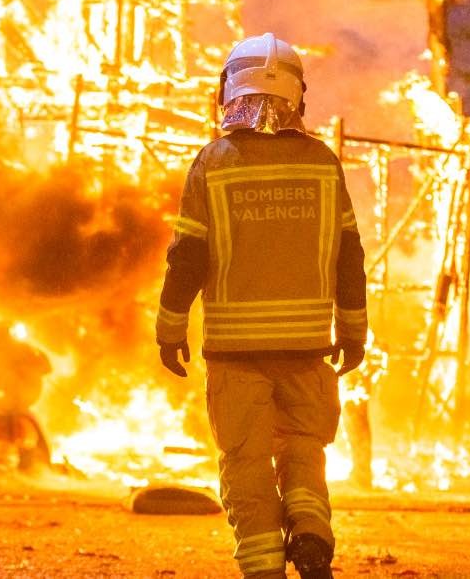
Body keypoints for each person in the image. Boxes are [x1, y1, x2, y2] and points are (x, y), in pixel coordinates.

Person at [155, 33, 367, 579]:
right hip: (307, 348)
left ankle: (265, 567)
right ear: (299, 96)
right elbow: (349, 255)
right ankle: (312, 530)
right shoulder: (323, 163)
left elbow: (188, 256)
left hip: (235, 352)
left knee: (246, 463)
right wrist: (353, 331)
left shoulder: (214, 163)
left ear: (227, 93)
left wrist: (170, 326)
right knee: (304, 450)